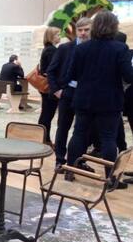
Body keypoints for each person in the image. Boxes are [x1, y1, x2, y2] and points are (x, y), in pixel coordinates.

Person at [65, 11, 133, 186]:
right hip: (110, 101)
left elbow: (71, 74)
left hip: (84, 99)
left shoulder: (81, 48)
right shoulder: (120, 48)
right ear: (114, 27)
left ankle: (70, 171)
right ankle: (110, 179)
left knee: (78, 134)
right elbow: (129, 76)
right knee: (109, 139)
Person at [47, 17, 91, 170]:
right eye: (80, 30)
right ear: (76, 31)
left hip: (86, 94)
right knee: (63, 127)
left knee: (83, 129)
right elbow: (51, 71)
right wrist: (57, 90)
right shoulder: (65, 48)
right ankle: (60, 160)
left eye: (86, 30)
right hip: (67, 92)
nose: (83, 33)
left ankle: (79, 161)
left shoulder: (94, 49)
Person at [37, 27, 61, 144]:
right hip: (50, 87)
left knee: (46, 114)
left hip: (46, 87)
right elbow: (53, 69)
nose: (59, 37)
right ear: (51, 36)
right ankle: (44, 139)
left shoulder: (47, 49)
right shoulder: (51, 50)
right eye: (57, 35)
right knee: (47, 114)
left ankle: (43, 138)